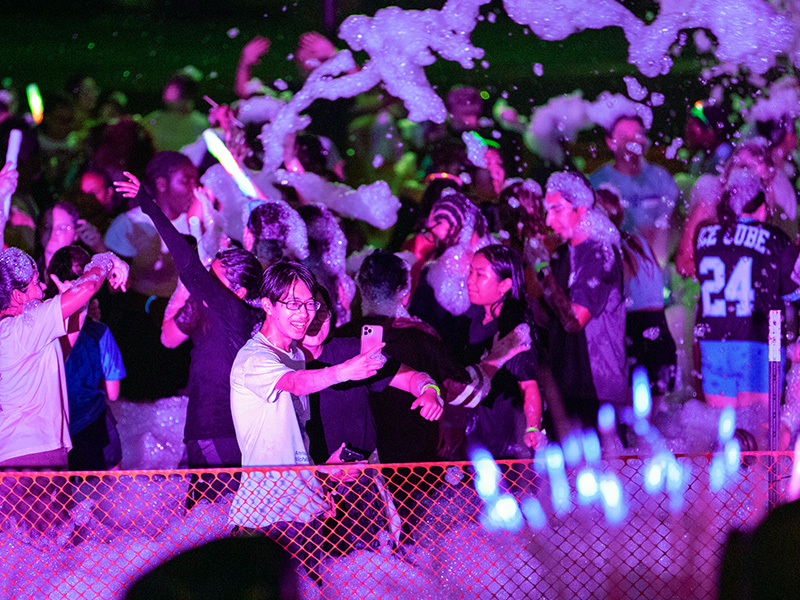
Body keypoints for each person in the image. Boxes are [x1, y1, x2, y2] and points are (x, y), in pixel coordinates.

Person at [228, 260, 389, 586]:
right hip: (265, 515)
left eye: (309, 303)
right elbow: (296, 383)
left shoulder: (295, 354)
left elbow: (296, 435)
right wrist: (346, 370)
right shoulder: (255, 358)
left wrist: (318, 478)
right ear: (268, 305)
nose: (305, 314)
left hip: (305, 511)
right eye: (293, 304)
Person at [114, 171, 264, 504]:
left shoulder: (232, 310)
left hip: (215, 430)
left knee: (216, 524)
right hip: (216, 430)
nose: (205, 285)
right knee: (208, 521)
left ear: (238, 291)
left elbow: (187, 262)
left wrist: (147, 204)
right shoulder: (240, 315)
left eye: (215, 280)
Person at [0, 246, 128, 468]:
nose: (42, 287)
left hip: (19, 454)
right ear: (18, 295)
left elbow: (62, 352)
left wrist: (77, 306)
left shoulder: (13, 333)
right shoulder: (23, 328)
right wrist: (108, 258)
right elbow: (88, 285)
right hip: (35, 455)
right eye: (36, 281)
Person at [694, 168, 799, 410]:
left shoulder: (704, 236)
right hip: (759, 345)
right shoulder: (775, 238)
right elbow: (795, 292)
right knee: (757, 435)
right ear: (761, 207)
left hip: (713, 344)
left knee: (724, 431)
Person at [540, 171, 627, 432]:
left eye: (557, 210)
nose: (548, 219)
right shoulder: (564, 253)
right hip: (566, 383)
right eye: (547, 211)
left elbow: (575, 320)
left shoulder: (598, 251)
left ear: (581, 208)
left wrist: (541, 269)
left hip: (597, 387)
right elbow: (550, 318)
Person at [46, 245, 125, 471]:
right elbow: (114, 392)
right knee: (110, 494)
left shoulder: (38, 329)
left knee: (65, 499)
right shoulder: (99, 333)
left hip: (54, 432)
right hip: (93, 424)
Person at [589, 114, 679, 266]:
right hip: (616, 270)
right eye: (624, 136)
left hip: (656, 269)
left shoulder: (661, 178)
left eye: (638, 135)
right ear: (610, 142)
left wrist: (660, 237)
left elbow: (677, 223)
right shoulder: (598, 182)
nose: (632, 142)